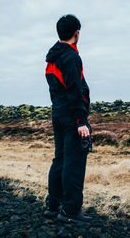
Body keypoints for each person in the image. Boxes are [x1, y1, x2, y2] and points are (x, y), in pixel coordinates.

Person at [43, 14, 92, 223]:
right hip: (72, 116)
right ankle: (70, 210)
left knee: (60, 159)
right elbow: (74, 90)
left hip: (58, 113)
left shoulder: (52, 57)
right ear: (76, 33)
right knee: (74, 161)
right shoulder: (71, 57)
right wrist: (81, 121)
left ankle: (53, 206)